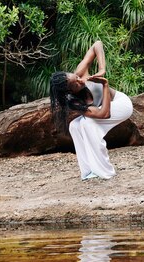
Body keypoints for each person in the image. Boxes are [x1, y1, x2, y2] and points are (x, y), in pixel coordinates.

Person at [49, 40, 133, 180]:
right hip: (105, 110)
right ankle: (88, 171)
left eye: (76, 77)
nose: (80, 81)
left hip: (122, 104)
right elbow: (103, 114)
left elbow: (97, 44)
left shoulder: (80, 73)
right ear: (69, 91)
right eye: (75, 84)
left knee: (87, 123)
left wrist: (102, 69)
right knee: (75, 125)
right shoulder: (72, 101)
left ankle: (106, 172)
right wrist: (105, 86)